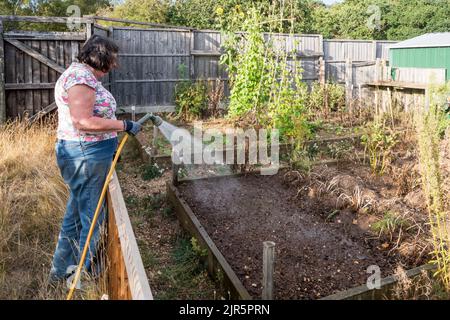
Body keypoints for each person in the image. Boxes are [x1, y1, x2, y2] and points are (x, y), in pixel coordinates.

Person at [49, 35, 141, 284]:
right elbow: (84, 122)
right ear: (100, 56)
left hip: (86, 155)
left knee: (76, 215)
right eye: (112, 59)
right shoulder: (80, 78)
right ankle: (81, 275)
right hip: (85, 156)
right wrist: (124, 124)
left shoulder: (82, 76)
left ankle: (60, 272)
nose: (114, 65)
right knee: (92, 217)